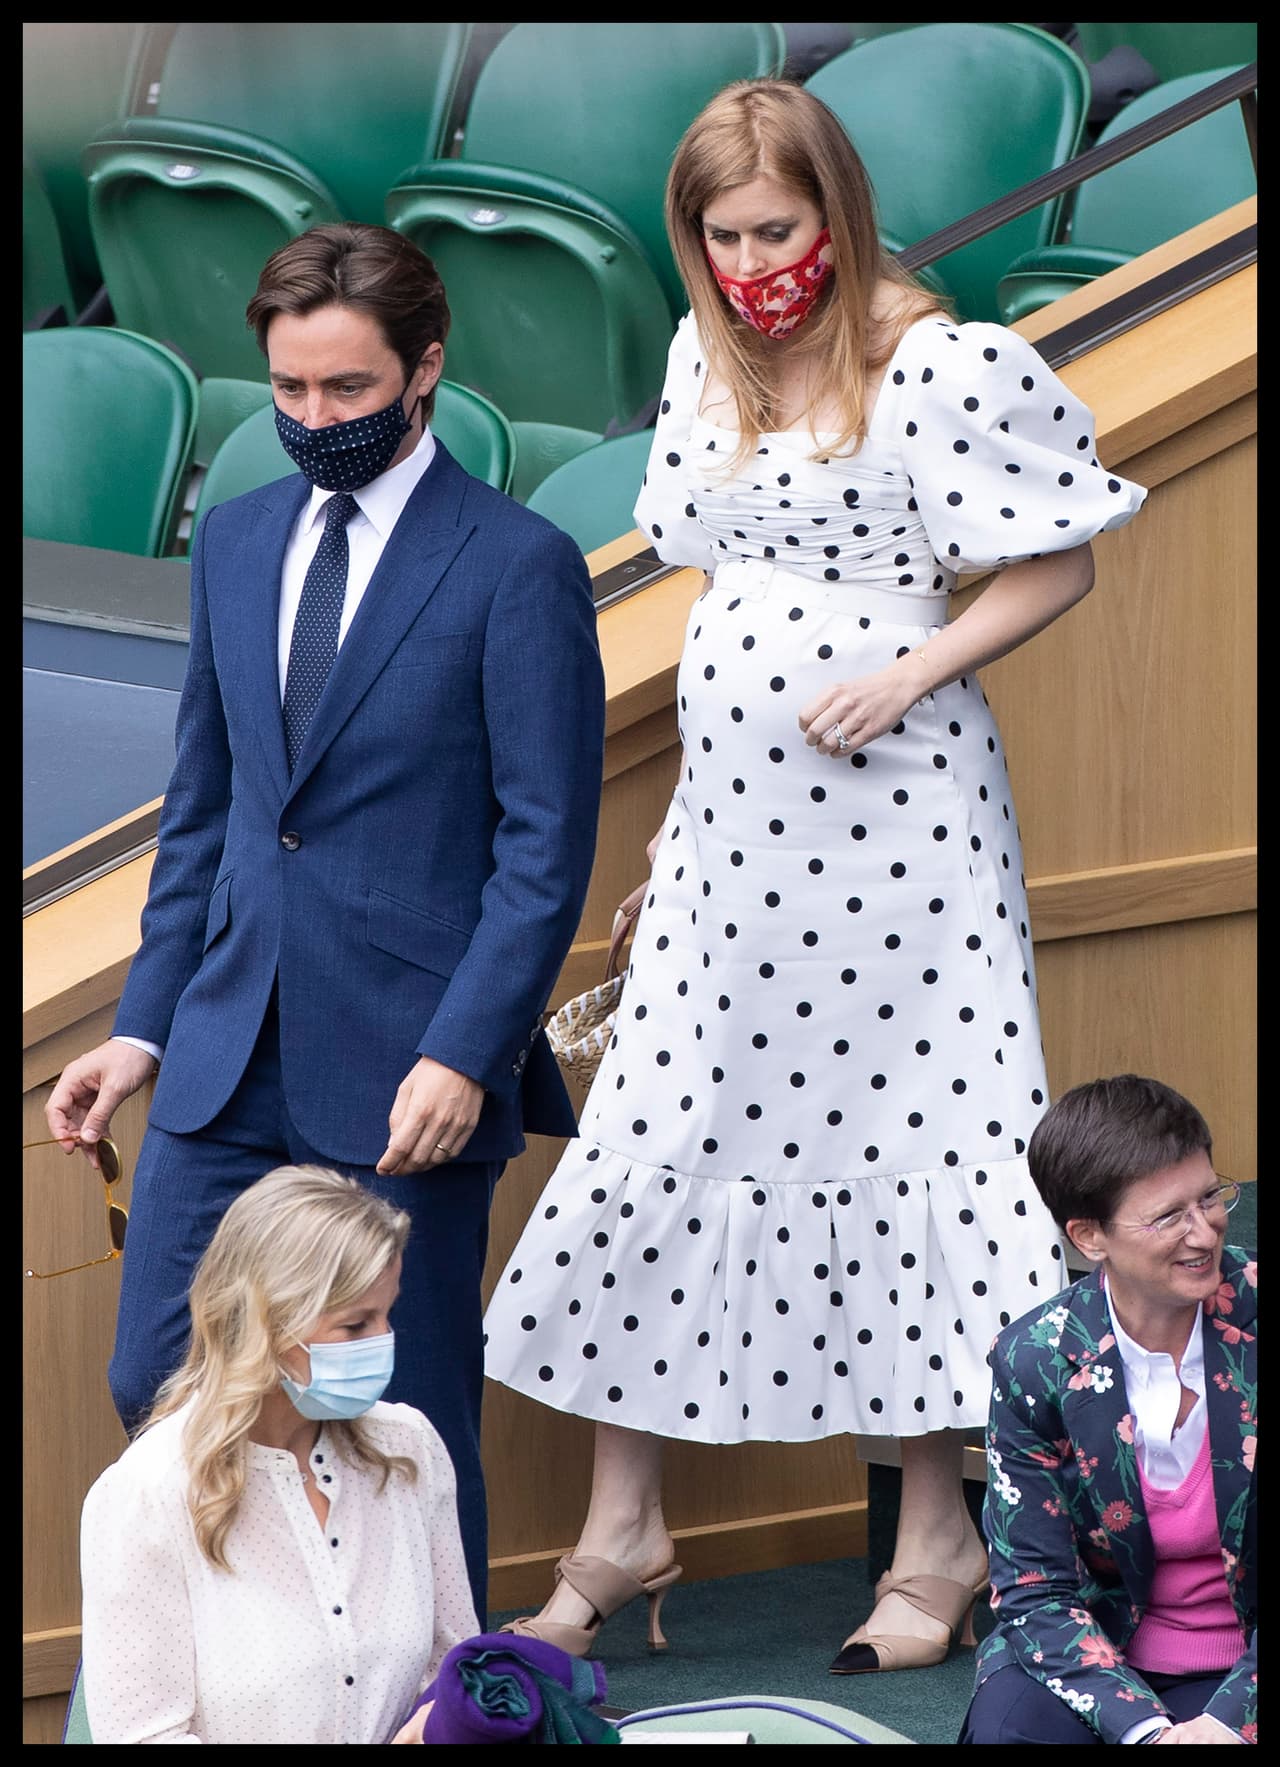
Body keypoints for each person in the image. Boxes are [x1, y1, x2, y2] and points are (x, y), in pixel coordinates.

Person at [481, 77, 1147, 1672]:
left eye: (777, 230)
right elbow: (721, 597)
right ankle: (622, 1522)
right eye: (720, 236)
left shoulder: (942, 361)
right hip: (733, 836)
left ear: (836, 216)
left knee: (915, 1142)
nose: (749, 260)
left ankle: (938, 1538)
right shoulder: (703, 358)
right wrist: (682, 821)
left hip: (903, 828)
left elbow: (1061, 558)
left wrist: (914, 673)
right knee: (663, 1131)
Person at [44, 221, 606, 1620]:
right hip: (228, 1043)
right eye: (288, 392)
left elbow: (544, 851)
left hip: (410, 1065)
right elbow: (208, 816)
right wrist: (142, 1028)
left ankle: (445, 1700)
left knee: (402, 1420)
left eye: (345, 391)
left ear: (425, 369)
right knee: (155, 1378)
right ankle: (256, 1673)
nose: (312, 420)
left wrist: (466, 1047)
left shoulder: (518, 562)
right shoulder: (235, 540)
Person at [79, 1164, 478, 1745]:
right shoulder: (147, 1492)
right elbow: (144, 1736)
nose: (382, 1342)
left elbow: (457, 1667)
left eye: (388, 1314)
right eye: (355, 1323)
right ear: (265, 1321)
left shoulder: (409, 1448)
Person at [959, 1075, 1256, 1745]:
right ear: (1090, 1235)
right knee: (1012, 1732)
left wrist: (1227, 1724)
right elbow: (1034, 1589)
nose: (1203, 1230)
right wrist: (1146, 1729)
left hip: (1245, 1664)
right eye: (1167, 1215)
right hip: (1100, 1651)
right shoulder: (1034, 1359)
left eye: (1209, 1196)